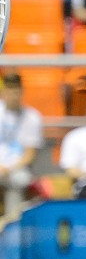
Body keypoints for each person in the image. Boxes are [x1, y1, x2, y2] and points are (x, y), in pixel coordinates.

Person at [0, 72, 45, 211]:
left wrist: (8, 169)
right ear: (3, 92)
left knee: (18, 180)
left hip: (18, 168)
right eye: (10, 92)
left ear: (21, 92)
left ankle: (10, 224)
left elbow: (29, 154)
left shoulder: (32, 117)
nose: (13, 97)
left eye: (16, 92)